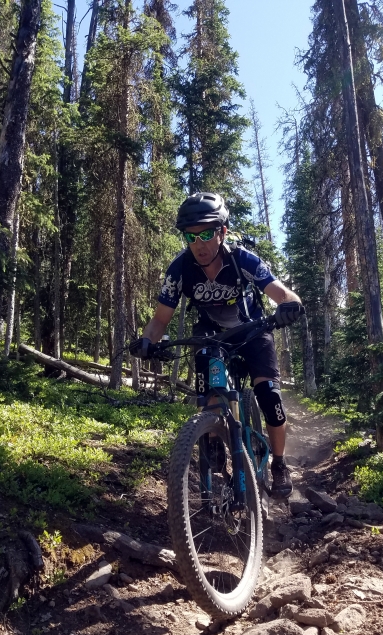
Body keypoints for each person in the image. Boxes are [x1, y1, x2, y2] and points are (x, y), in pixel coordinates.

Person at [129, 192, 303, 498]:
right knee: (208, 395)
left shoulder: (242, 259)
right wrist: (147, 342)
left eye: (207, 234)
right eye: (190, 236)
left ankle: (278, 463)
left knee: (269, 397)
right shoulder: (180, 269)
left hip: (252, 330)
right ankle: (213, 437)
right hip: (210, 337)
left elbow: (281, 292)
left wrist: (290, 305)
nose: (200, 244)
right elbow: (160, 320)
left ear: (222, 232)